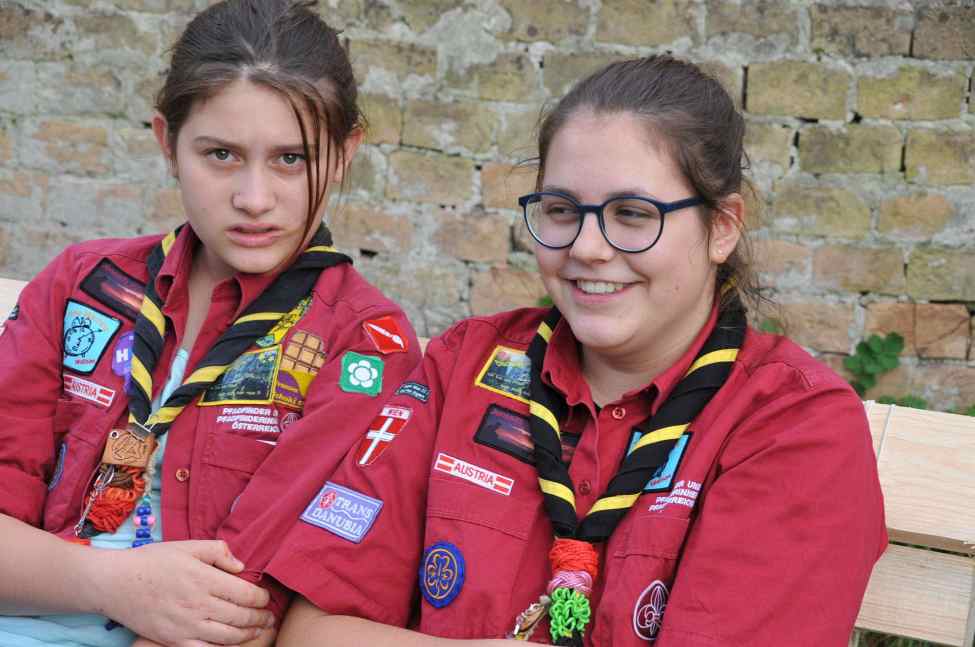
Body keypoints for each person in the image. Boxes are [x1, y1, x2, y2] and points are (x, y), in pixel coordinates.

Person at [268, 56, 887, 646]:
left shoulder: (791, 424)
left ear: (721, 228)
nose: (587, 248)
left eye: (633, 214)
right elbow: (313, 631)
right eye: (563, 210)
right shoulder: (466, 365)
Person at [0, 1, 420, 645]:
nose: (254, 199)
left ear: (344, 153)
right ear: (166, 142)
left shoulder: (364, 343)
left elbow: (242, 602)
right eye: (221, 154)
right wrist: (109, 583)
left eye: (291, 159)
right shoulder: (81, 283)